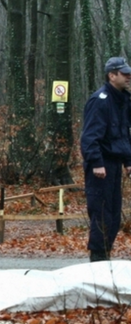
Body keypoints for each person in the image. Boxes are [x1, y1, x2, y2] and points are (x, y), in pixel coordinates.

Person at [81, 57, 131, 262]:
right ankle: (98, 259)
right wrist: (96, 163)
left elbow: (123, 134)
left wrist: (128, 161)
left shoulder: (123, 100)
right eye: (124, 74)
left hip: (115, 164)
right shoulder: (100, 100)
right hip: (100, 166)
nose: (129, 77)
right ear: (112, 75)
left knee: (113, 216)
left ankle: (104, 256)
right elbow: (89, 137)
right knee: (101, 214)